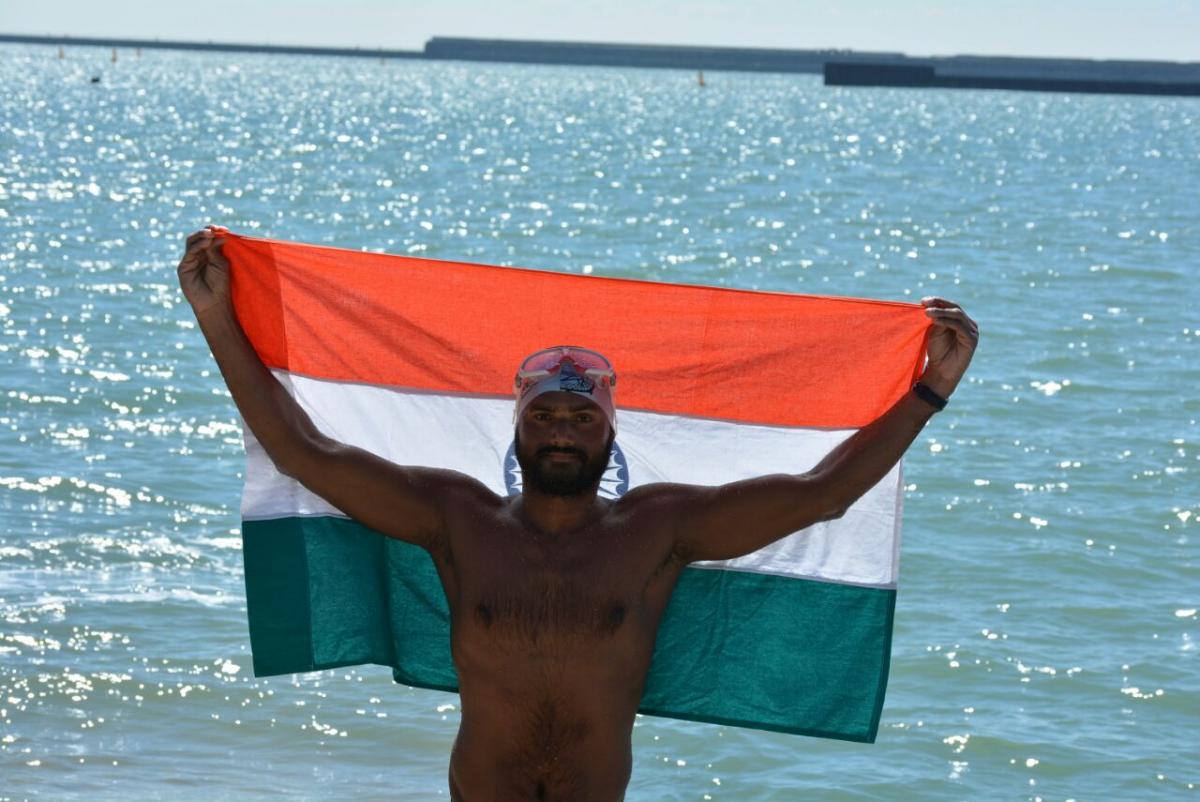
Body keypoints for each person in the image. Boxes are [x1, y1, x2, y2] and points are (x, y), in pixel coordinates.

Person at [178, 226, 978, 802]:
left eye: (581, 419)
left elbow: (821, 495)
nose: (562, 432)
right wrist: (218, 316)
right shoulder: (458, 521)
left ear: (609, 434)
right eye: (546, 417)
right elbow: (301, 453)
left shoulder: (656, 534)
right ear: (517, 427)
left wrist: (927, 392)